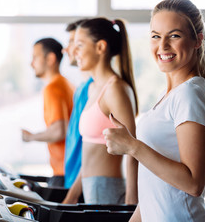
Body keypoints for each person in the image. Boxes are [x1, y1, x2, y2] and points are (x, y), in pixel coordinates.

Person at [104, 0, 205, 221]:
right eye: (156, 36)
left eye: (174, 35)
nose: (163, 45)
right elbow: (154, 191)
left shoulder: (189, 93)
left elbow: (194, 183)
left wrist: (132, 146)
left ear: (198, 40)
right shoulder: (168, 95)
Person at [62, 17, 139, 205]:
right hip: (91, 190)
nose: (74, 52)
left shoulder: (116, 89)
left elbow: (133, 150)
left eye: (79, 45)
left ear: (100, 47)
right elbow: (90, 155)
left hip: (109, 191)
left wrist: (131, 202)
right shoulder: (93, 89)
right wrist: (72, 195)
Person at [22, 38, 74, 187]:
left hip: (63, 172)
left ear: (50, 59)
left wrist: (30, 137)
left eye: (35, 57)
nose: (31, 63)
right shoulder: (67, 84)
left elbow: (59, 131)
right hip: (70, 169)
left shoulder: (53, 88)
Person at [62, 19, 94, 189]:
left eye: (75, 42)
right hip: (73, 179)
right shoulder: (81, 88)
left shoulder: (95, 88)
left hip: (83, 184)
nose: (67, 49)